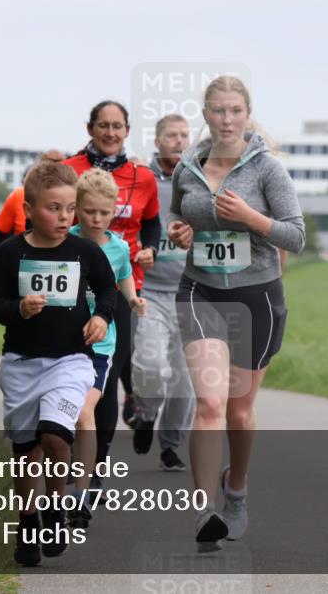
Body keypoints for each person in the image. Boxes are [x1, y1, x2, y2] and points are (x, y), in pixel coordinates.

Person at [167, 76, 305, 550]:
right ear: (205, 114)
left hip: (257, 297)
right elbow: (177, 217)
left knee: (239, 410)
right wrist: (181, 232)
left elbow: (297, 236)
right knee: (209, 405)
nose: (227, 120)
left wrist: (252, 219)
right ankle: (203, 511)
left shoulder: (267, 170)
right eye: (218, 111)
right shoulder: (187, 167)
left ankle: (237, 487)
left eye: (235, 111)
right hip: (199, 290)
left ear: (247, 114)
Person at [0, 160, 116, 566]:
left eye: (70, 208)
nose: (64, 217)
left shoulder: (85, 252)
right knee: (26, 454)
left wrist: (100, 317)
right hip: (21, 364)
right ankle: (27, 522)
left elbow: (108, 291)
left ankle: (55, 508)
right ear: (28, 210)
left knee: (56, 437)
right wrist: (18, 308)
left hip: (71, 361)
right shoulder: (11, 253)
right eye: (53, 208)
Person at [64, 100, 161, 489]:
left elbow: (152, 225)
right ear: (90, 128)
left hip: (122, 285)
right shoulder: (69, 170)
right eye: (102, 125)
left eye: (117, 126)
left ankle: (96, 469)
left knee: (105, 375)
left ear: (127, 130)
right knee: (68, 373)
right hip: (70, 288)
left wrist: (151, 248)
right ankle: (68, 455)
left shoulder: (143, 176)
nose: (109, 133)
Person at [67, 168, 147, 530]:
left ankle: (85, 483)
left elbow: (124, 275)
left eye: (104, 212)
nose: (97, 219)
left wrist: (132, 299)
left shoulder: (116, 246)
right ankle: (73, 473)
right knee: (67, 410)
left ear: (114, 210)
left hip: (102, 341)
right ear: (76, 210)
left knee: (88, 408)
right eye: (89, 212)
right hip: (63, 341)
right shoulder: (64, 242)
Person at [131, 114, 196, 471]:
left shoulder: (200, 182)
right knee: (152, 364)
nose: (179, 141)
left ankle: (171, 445)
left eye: (185, 135)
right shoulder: (143, 181)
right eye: (172, 135)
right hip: (151, 290)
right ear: (158, 142)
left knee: (185, 378)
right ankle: (145, 411)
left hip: (190, 292)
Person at [0, 150, 68, 252]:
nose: (54, 171)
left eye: (60, 165)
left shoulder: (73, 196)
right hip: (24, 261)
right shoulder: (19, 195)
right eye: (50, 165)